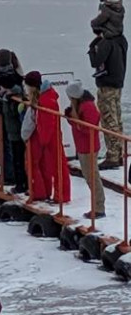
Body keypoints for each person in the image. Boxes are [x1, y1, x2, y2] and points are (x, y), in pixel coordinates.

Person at [22, 71, 71, 203]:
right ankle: (47, 193)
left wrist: (43, 139)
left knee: (57, 166)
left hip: (50, 137)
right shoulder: (45, 98)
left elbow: (48, 122)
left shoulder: (46, 101)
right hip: (48, 136)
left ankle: (61, 196)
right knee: (49, 165)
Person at [65, 80, 105, 219]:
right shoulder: (79, 105)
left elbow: (88, 129)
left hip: (89, 147)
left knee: (92, 178)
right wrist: (70, 117)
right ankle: (98, 206)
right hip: (83, 146)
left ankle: (99, 207)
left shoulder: (87, 107)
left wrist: (75, 120)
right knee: (90, 177)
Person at [88, 28, 128, 170]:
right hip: (118, 84)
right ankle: (119, 153)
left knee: (108, 119)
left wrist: (92, 48)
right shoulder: (121, 40)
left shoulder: (106, 43)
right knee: (117, 118)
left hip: (107, 85)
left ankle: (112, 156)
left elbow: (96, 62)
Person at [0, 62, 27, 193]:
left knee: (18, 158)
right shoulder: (17, 77)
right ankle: (17, 180)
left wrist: (4, 101)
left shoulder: (14, 96)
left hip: (15, 131)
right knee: (16, 156)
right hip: (12, 130)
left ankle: (19, 182)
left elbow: (12, 114)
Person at [90, 0, 125, 79]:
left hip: (108, 33)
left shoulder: (106, 9)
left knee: (96, 47)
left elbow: (100, 19)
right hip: (116, 32)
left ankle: (101, 68)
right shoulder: (119, 7)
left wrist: (93, 23)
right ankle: (102, 68)